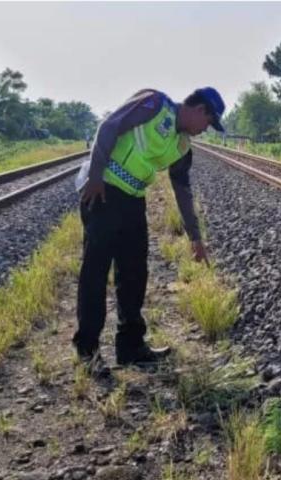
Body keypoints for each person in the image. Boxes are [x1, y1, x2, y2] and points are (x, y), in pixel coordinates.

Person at [73, 87, 225, 371]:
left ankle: (130, 347)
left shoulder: (182, 147)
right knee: (95, 270)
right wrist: (95, 175)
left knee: (134, 273)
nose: (206, 130)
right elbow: (109, 126)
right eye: (208, 123)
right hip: (103, 190)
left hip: (132, 199)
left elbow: (183, 191)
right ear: (200, 110)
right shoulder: (154, 103)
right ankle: (87, 350)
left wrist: (195, 238)